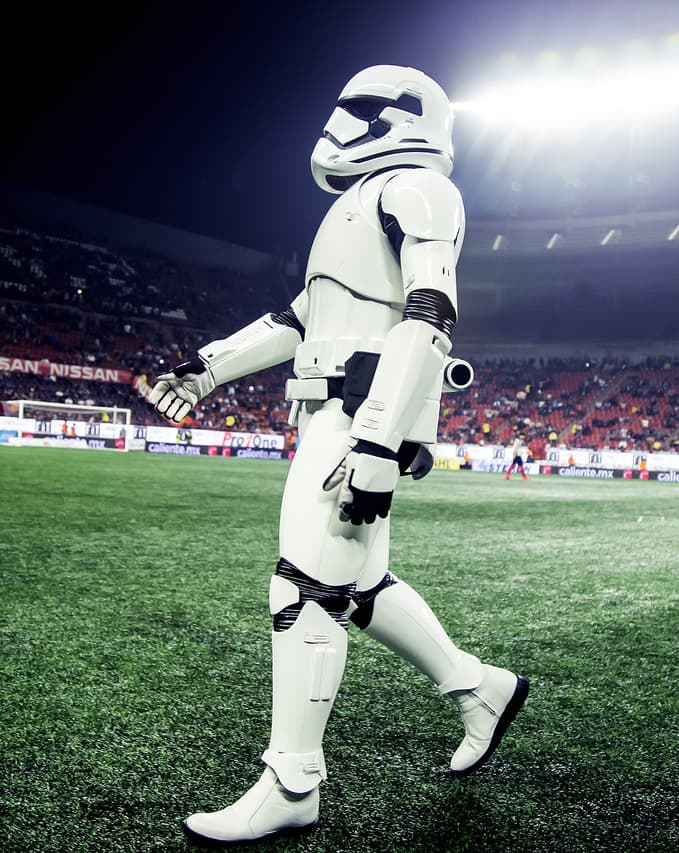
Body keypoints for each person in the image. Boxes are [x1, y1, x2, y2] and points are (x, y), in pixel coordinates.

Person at [135, 65, 529, 844]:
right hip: (341, 408)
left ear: (406, 118)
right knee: (362, 582)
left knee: (305, 588)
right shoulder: (365, 201)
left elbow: (431, 312)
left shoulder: (419, 187)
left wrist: (380, 434)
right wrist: (207, 366)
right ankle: (478, 685)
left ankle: (293, 779)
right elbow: (298, 316)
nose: (338, 124)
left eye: (359, 109)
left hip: (358, 412)